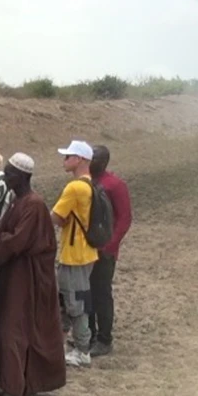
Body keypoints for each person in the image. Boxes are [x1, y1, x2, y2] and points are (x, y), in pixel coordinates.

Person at [0, 152, 67, 396]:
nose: (5, 177)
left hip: (28, 278)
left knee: (13, 330)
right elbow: (3, 234)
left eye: (9, 174)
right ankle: (22, 383)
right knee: (14, 328)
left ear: (21, 177)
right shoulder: (16, 201)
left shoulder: (33, 204)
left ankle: (12, 393)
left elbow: (15, 241)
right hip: (15, 275)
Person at [52, 139, 99, 367]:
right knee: (75, 300)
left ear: (79, 159)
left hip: (74, 254)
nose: (64, 160)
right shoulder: (91, 185)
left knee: (75, 303)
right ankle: (76, 347)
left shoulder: (74, 188)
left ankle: (82, 350)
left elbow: (56, 217)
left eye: (68, 156)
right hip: (86, 253)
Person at [87, 145, 132, 359]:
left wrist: (109, 246)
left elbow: (124, 219)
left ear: (103, 162)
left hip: (104, 251)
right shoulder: (87, 181)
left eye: (94, 157)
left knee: (101, 293)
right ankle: (90, 334)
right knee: (86, 292)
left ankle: (105, 338)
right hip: (86, 249)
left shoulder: (115, 185)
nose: (90, 160)